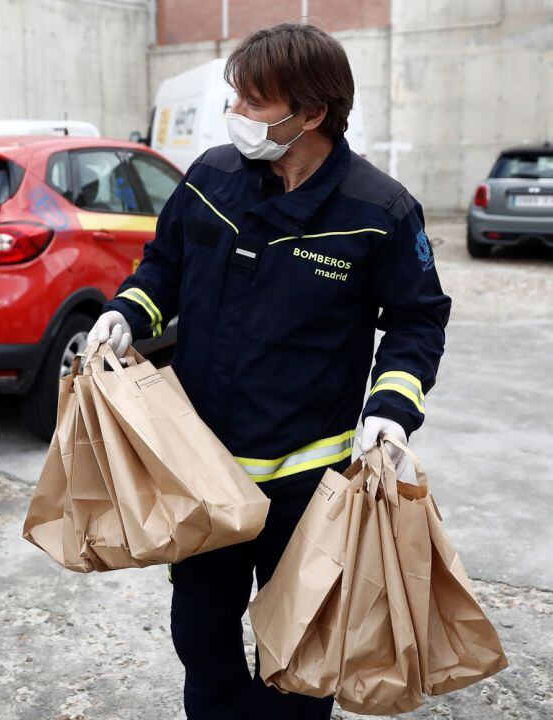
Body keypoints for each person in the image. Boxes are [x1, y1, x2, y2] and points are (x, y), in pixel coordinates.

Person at [89, 23, 450, 720]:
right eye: (237, 99)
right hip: (203, 481)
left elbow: (417, 319)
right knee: (201, 640)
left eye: (255, 103)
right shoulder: (212, 179)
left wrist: (391, 410)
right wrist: (125, 313)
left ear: (311, 113)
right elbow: (163, 269)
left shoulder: (379, 212)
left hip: (304, 489)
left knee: (297, 661)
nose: (237, 117)